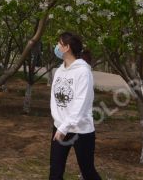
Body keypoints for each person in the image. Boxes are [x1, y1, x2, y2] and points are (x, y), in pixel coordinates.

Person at [49, 32, 102, 180]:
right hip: (60, 127)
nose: (57, 47)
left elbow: (81, 102)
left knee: (88, 172)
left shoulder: (83, 72)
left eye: (59, 43)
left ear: (66, 48)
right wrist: (58, 122)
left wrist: (65, 127)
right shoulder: (59, 70)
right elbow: (54, 99)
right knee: (55, 172)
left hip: (81, 130)